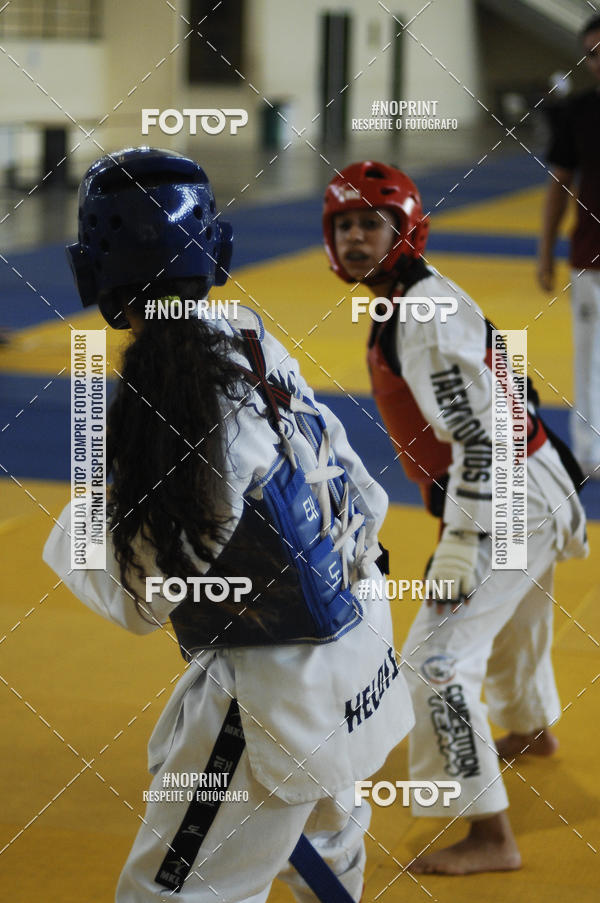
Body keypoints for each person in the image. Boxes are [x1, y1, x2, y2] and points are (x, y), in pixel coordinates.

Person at [43, 148, 415, 902]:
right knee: (322, 839)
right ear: (215, 249)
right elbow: (356, 481)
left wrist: (76, 524)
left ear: (94, 272)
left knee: (170, 892)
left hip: (280, 685)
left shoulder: (183, 395)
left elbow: (139, 598)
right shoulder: (245, 333)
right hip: (362, 634)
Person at [322, 161, 588, 875]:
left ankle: (490, 834)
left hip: (504, 491)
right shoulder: (417, 295)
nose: (353, 238)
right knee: (519, 612)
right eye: (343, 225)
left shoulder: (420, 316)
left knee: (436, 665)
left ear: (404, 231)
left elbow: (480, 438)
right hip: (530, 481)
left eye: (368, 226)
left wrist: (464, 543)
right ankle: (530, 729)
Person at [538, 14, 600, 477]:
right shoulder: (577, 113)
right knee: (591, 358)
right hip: (591, 257)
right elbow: (559, 185)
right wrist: (544, 253)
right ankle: (590, 451)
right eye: (593, 54)